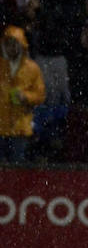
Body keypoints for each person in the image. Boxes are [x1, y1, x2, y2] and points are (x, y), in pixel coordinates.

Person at [1, 25, 46, 163]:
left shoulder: (32, 68)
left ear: (21, 46)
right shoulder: (1, 65)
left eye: (14, 44)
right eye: (8, 45)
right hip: (2, 126)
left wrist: (25, 97)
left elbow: (40, 95)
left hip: (20, 127)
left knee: (17, 169)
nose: (11, 48)